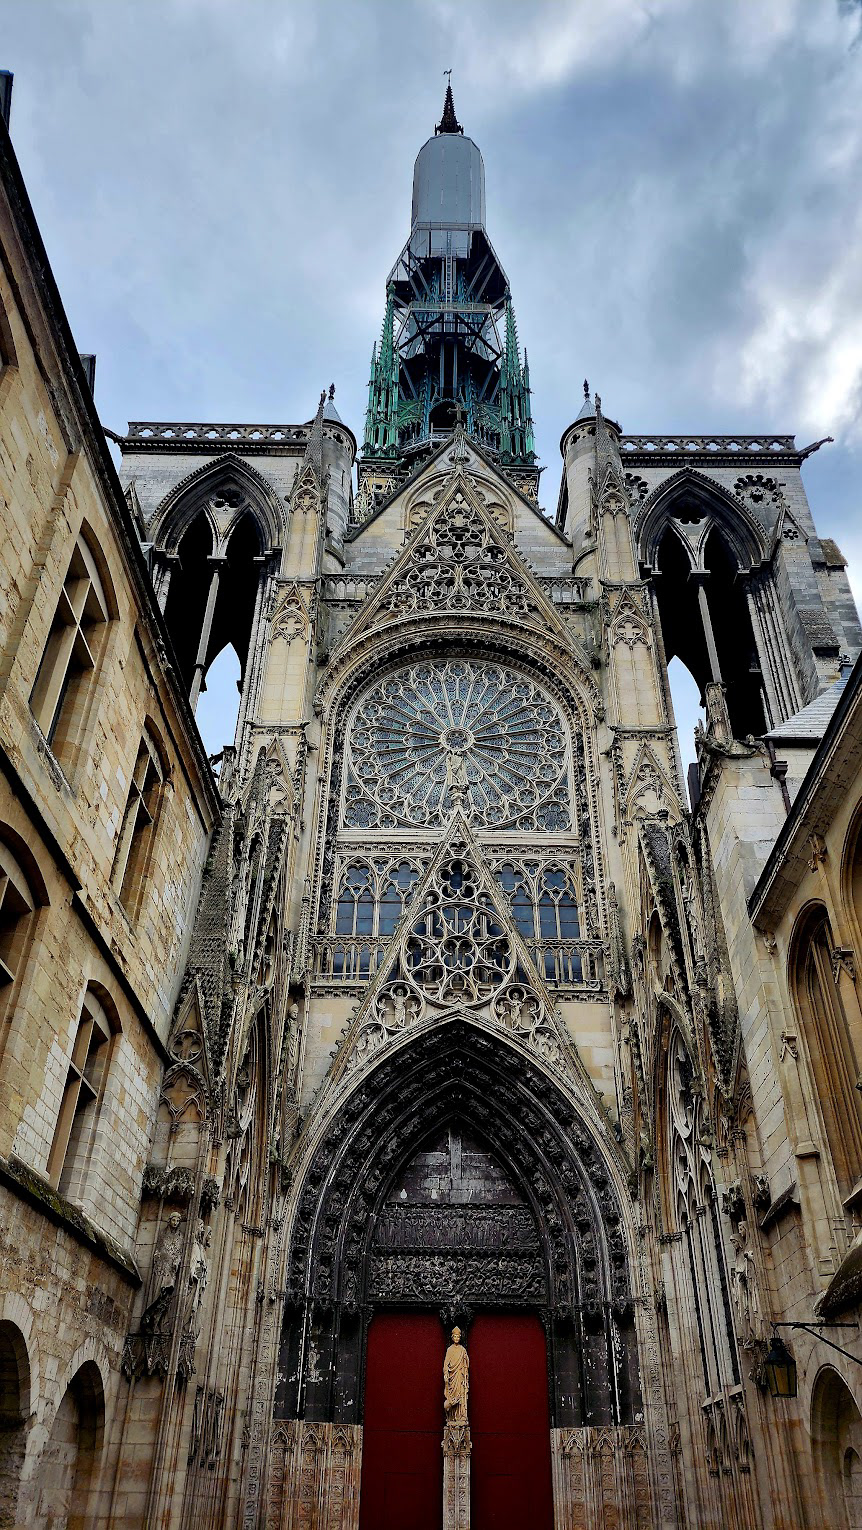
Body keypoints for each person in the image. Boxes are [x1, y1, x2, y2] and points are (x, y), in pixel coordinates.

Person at [443, 1326, 469, 1424]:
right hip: (452, 1377)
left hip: (460, 1376)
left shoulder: (463, 1350)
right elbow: (446, 1364)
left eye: (458, 1337)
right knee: (452, 1398)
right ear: (452, 1337)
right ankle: (452, 1417)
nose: (456, 1339)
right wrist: (446, 1373)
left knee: (460, 1396)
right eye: (455, 1337)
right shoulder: (449, 1350)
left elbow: (466, 1364)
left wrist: (465, 1365)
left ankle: (461, 1416)